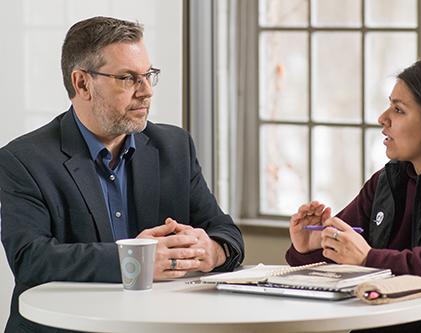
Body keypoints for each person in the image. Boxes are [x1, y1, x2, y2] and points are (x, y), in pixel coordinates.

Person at [0, 16, 244, 333]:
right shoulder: (23, 160)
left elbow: (226, 233)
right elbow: (31, 260)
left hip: (158, 325)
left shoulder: (174, 146)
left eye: (148, 75)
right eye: (128, 78)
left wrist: (209, 250)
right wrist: (134, 262)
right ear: (82, 84)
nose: (146, 92)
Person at [287, 56, 421, 333]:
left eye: (398, 110)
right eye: (390, 104)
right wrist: (311, 247)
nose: (383, 118)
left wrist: (370, 259)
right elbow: (347, 255)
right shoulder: (385, 181)